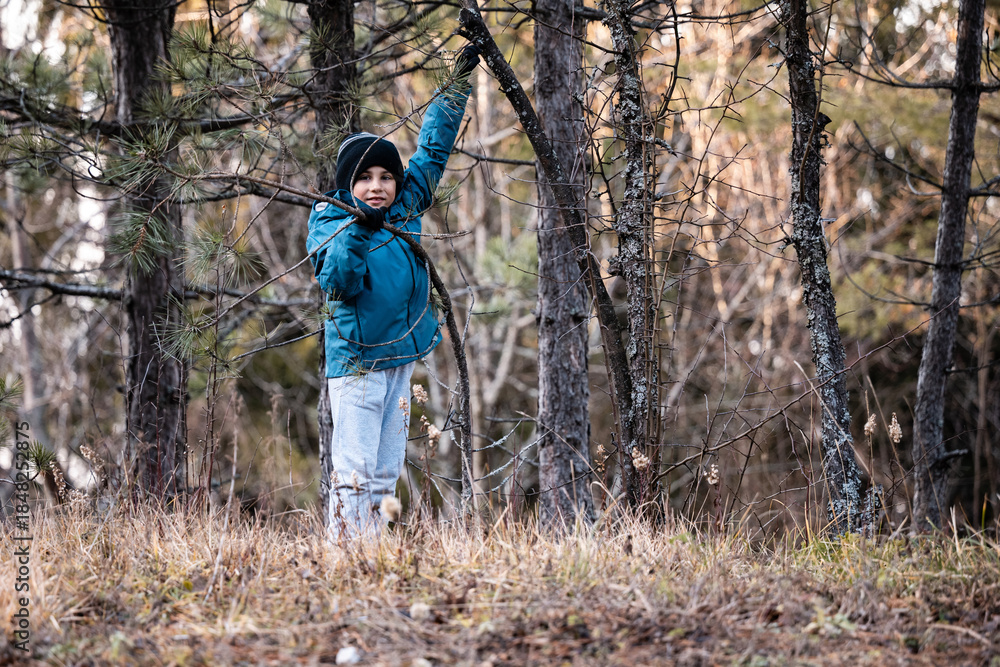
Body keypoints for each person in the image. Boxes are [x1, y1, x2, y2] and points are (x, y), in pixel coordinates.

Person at [307, 43, 480, 541]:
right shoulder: (330, 220)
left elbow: (432, 151)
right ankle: (346, 558)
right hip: (358, 363)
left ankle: (374, 555)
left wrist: (456, 84)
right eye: (364, 179)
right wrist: (361, 226)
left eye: (386, 176)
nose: (377, 186)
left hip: (399, 358)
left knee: (384, 472)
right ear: (347, 186)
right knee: (355, 470)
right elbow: (337, 281)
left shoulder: (405, 208)